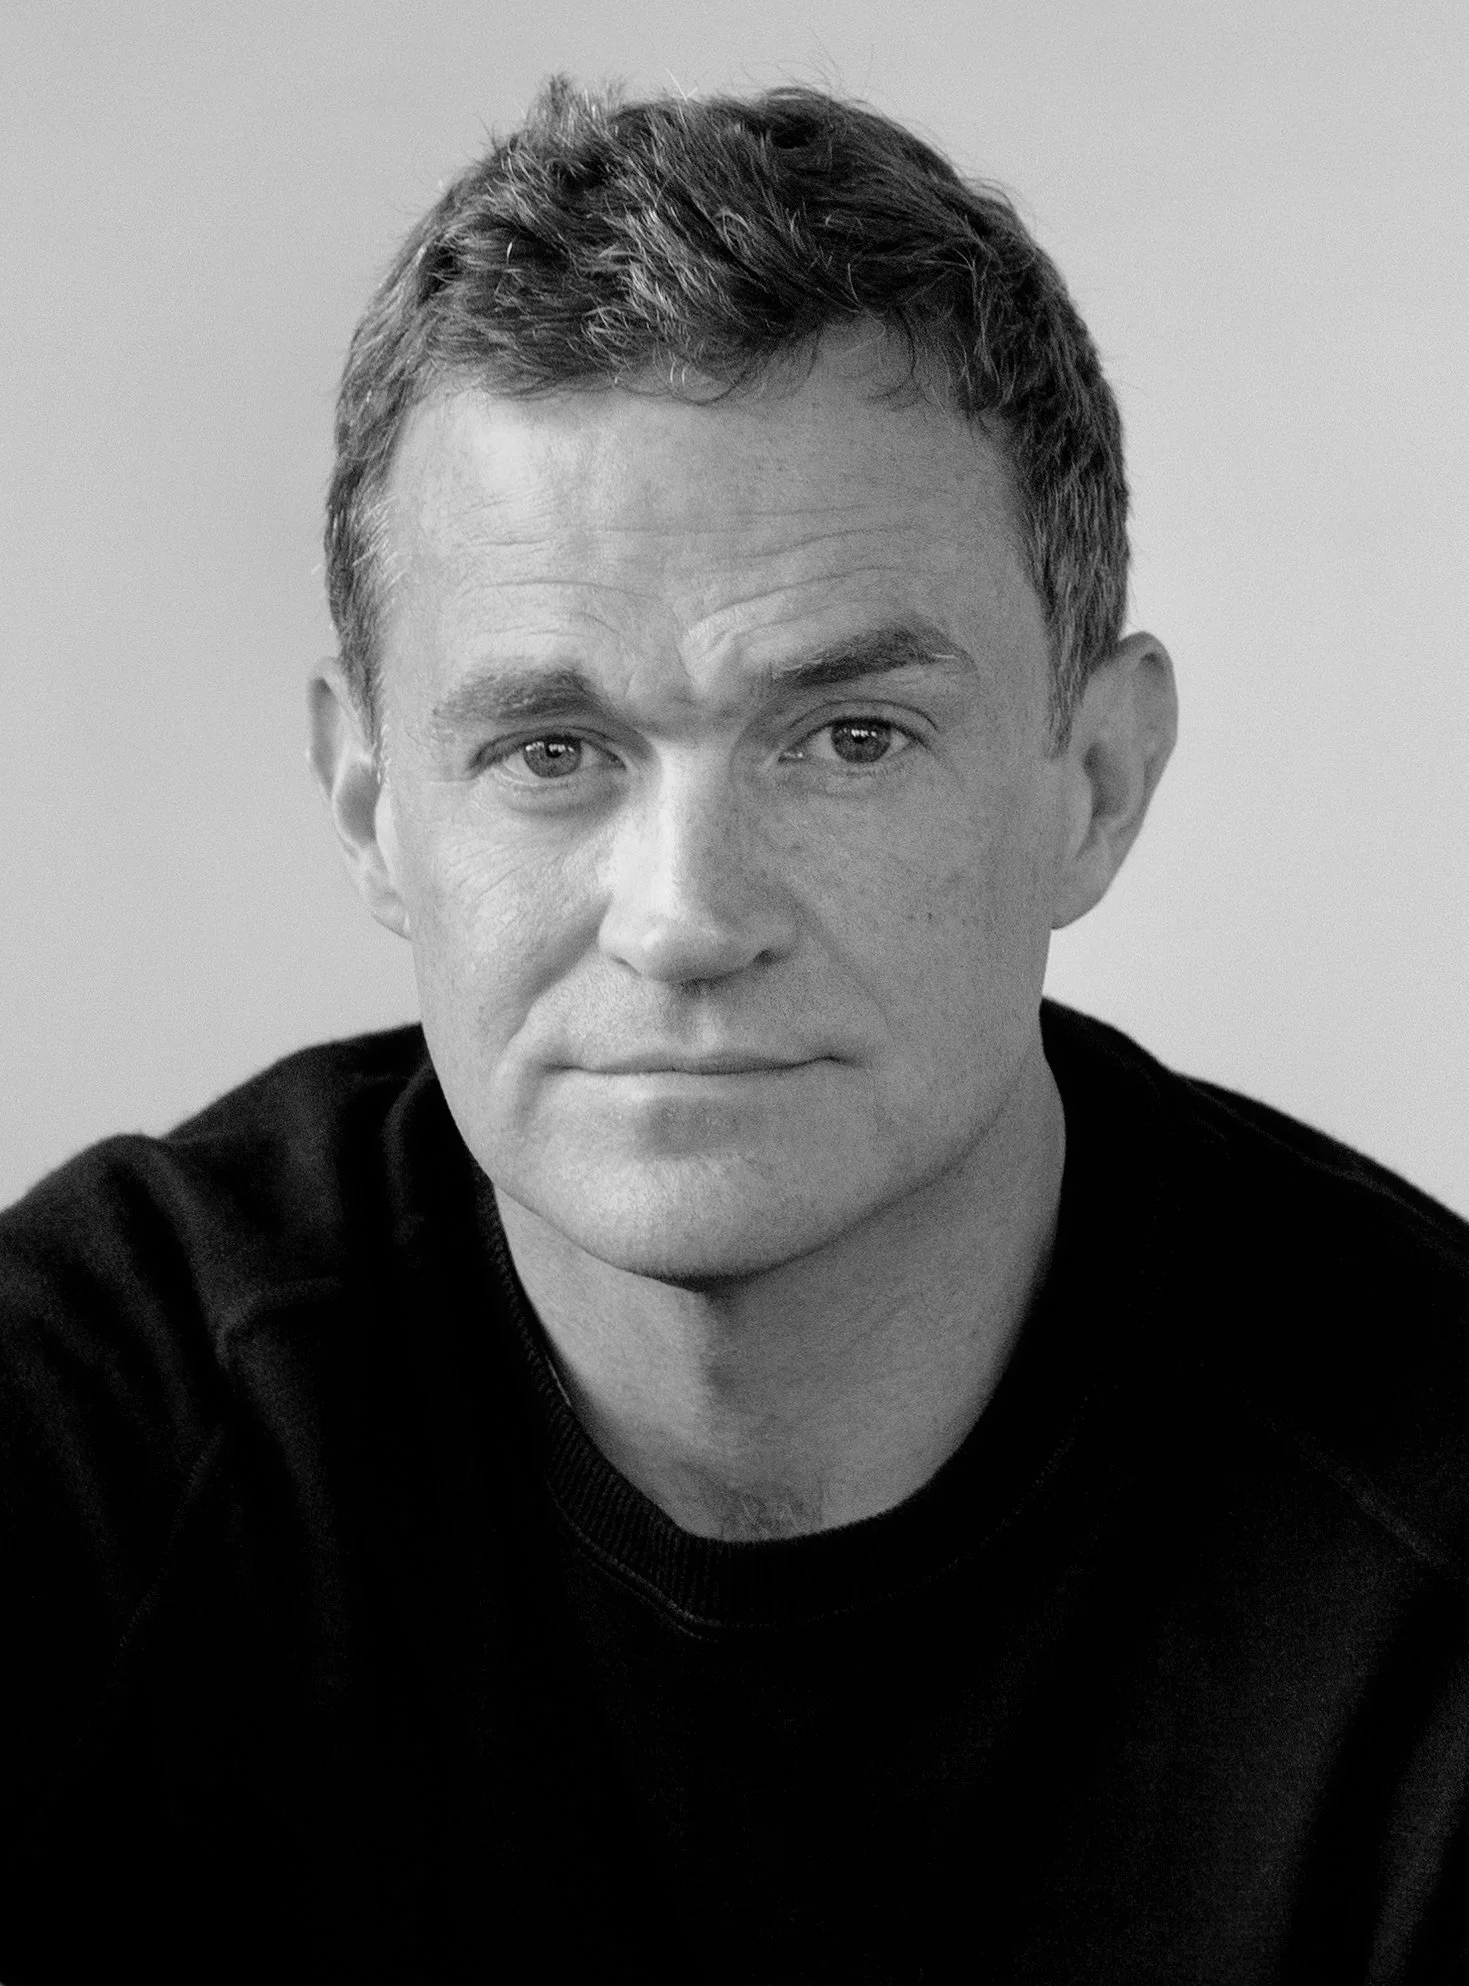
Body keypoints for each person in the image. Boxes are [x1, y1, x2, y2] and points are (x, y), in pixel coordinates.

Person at [1, 77, 1466, 1986]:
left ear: (1097, 783)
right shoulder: (94, 1433)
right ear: (372, 809)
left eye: (849, 738)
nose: (685, 915)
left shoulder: (1427, 1544)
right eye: (551, 749)